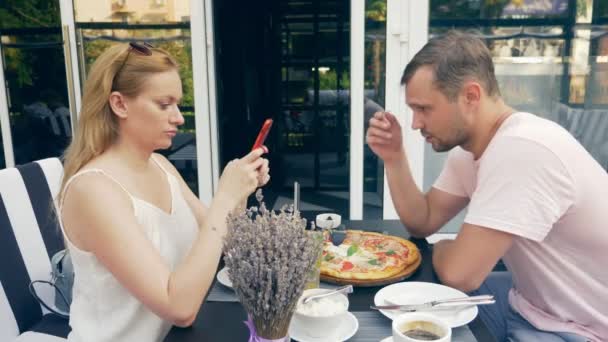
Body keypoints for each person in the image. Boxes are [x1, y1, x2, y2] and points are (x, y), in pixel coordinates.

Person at [366, 31, 608, 342]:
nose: (415, 123)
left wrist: (443, 249)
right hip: (528, 304)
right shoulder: (470, 152)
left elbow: (460, 274)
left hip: (581, 329)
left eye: (424, 109)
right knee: (403, 317)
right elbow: (422, 221)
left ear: (470, 96)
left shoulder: (521, 149)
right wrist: (394, 157)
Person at [58, 42, 270, 342]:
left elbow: (222, 243)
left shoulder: (160, 166)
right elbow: (179, 307)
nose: (179, 118)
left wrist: (240, 190)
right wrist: (224, 197)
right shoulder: (94, 190)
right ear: (119, 104)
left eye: (178, 105)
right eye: (163, 104)